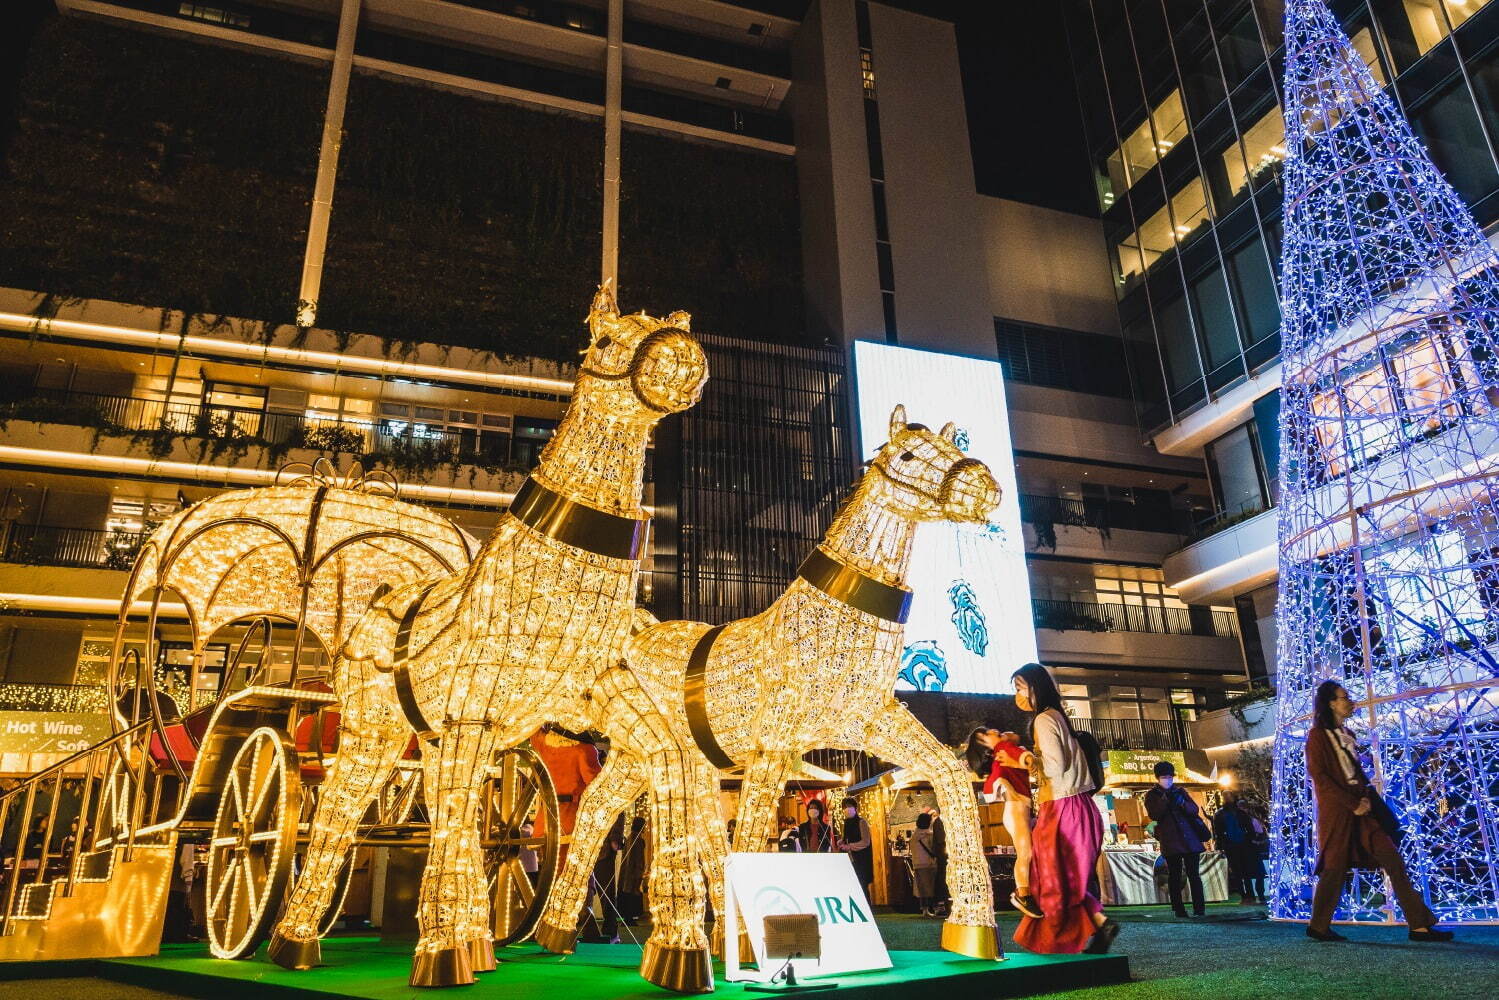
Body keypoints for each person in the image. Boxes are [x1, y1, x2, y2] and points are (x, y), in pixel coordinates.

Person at [1305, 680, 1453, 943]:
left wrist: (1365, 798)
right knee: (1334, 867)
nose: (1350, 701)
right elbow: (1320, 777)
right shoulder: (1318, 736)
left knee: (1393, 860)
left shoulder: (1345, 732)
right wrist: (1352, 803)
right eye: (1344, 697)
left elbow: (1352, 772)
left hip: (1362, 808)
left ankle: (1419, 925)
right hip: (1340, 810)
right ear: (1330, 703)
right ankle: (1318, 925)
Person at [1009, 662, 1118, 955]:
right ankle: (1098, 923)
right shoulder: (1057, 717)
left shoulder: (1044, 720)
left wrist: (1025, 761)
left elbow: (1056, 767)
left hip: (1061, 806)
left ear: (1035, 687)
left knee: (1051, 877)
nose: (1017, 695)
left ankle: (1060, 940)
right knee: (1065, 878)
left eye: (1019, 687)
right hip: (1077, 805)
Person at [966, 726, 1039, 917]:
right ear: (985, 743)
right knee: (1026, 852)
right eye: (988, 733)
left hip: (1016, 807)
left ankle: (1026, 891)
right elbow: (1024, 757)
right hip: (1016, 806)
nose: (994, 731)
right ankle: (1022, 893)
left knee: (1028, 852)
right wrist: (1027, 760)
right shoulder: (1003, 747)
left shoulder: (1003, 748)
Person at [1144, 760, 1207, 918]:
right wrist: (1165, 801)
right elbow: (1154, 814)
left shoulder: (1180, 791)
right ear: (1158, 778)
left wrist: (1182, 803)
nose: (1168, 779)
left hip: (1189, 839)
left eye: (1170, 776)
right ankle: (1179, 909)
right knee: (1174, 875)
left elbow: (1193, 810)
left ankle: (1199, 909)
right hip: (1171, 840)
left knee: (1194, 874)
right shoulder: (1152, 795)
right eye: (1164, 776)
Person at [1213, 793, 1266, 905]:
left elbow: (1249, 829)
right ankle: (1246, 896)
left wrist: (1250, 839)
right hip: (1235, 845)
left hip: (1240, 845)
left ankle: (1249, 896)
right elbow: (1218, 832)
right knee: (1240, 873)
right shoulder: (1224, 814)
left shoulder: (1231, 814)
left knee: (1243, 872)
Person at [840, 799, 874, 903]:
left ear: (855, 808)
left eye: (849, 806)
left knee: (862, 884)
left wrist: (849, 846)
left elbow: (865, 841)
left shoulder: (861, 822)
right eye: (845, 807)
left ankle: (867, 907)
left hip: (861, 859)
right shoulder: (846, 823)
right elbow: (847, 838)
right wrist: (842, 841)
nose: (847, 809)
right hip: (850, 859)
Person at [619, 816, 648, 925]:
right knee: (631, 894)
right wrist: (639, 872)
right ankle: (629, 919)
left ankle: (628, 918)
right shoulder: (638, 840)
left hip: (627, 871)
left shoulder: (629, 837)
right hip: (633, 872)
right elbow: (636, 858)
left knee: (628, 894)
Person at [911, 812, 940, 917]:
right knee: (932, 887)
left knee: (922, 888)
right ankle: (936, 908)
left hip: (917, 864)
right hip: (929, 864)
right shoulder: (929, 835)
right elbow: (933, 848)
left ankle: (925, 909)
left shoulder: (914, 836)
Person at [518, 818, 539, 886]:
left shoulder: (528, 827)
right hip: (526, 863)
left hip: (530, 864)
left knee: (531, 884)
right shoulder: (526, 828)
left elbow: (526, 832)